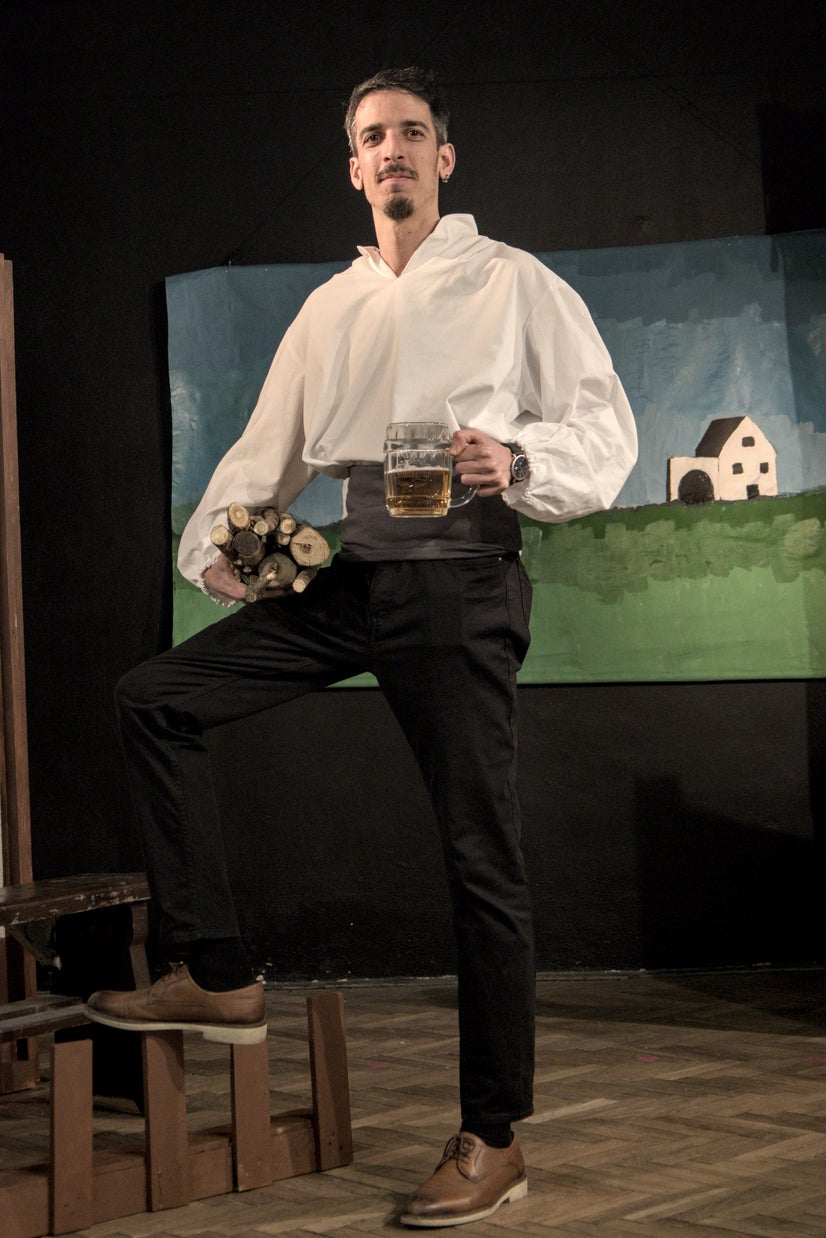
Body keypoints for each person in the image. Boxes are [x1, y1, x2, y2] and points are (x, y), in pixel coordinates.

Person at [85, 67, 638, 1227]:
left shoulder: (511, 281)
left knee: (478, 857)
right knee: (154, 696)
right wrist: (214, 548)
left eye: (411, 134)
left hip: (460, 582)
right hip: (350, 569)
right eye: (371, 136)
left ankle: (493, 1134)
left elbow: (604, 424)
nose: (391, 150)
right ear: (353, 166)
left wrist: (520, 460)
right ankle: (224, 972)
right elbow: (265, 447)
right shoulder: (330, 305)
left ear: (445, 158)